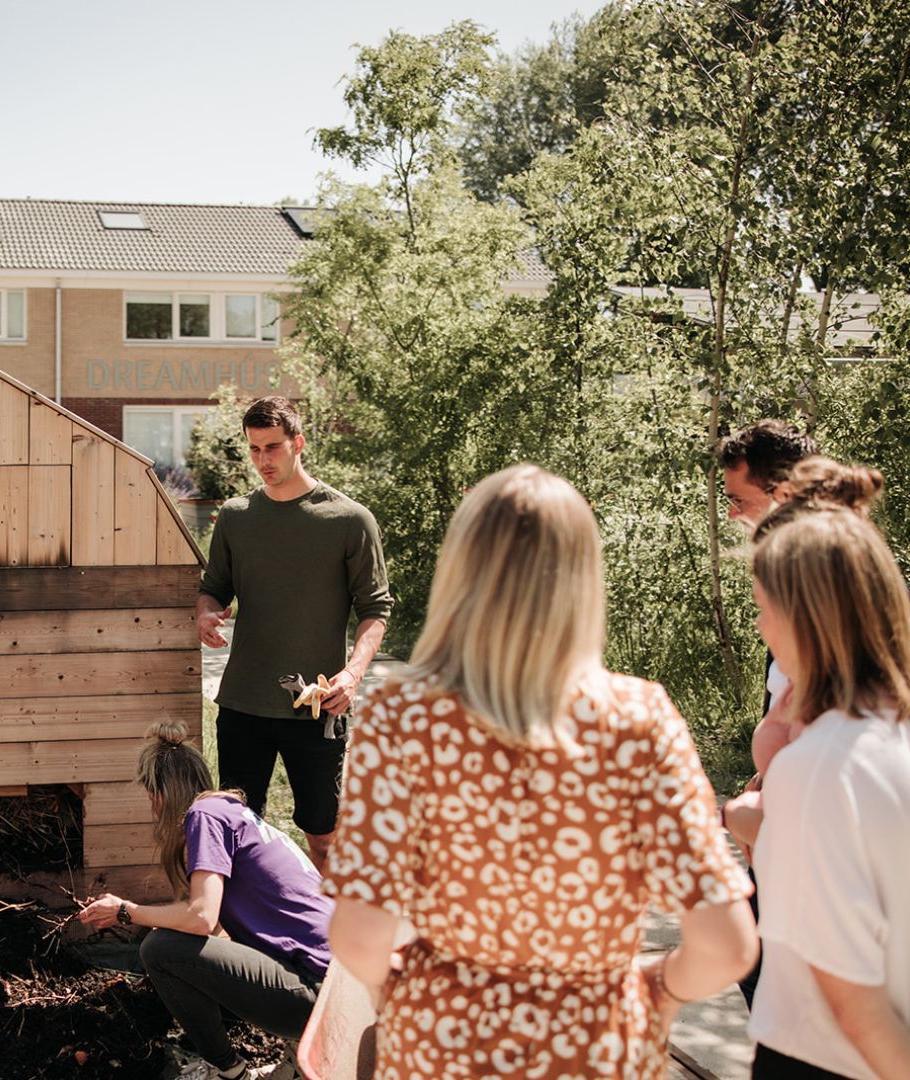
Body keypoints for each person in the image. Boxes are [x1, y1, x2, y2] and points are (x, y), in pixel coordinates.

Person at [323, 464, 758, 1079]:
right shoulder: (640, 718)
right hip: (600, 1051)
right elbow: (729, 943)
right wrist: (657, 991)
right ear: (582, 578)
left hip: (442, 1046)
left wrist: (397, 995)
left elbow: (359, 935)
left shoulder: (401, 715)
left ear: (461, 574)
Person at [746, 507, 910, 1079]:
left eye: (764, 611)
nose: (762, 629)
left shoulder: (817, 770)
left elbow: (856, 1009)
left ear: (802, 621)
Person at [197, 396, 392, 871]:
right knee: (238, 834)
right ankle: (249, 940)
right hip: (243, 705)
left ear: (298, 443)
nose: (263, 460)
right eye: (254, 449)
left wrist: (352, 675)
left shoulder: (349, 520)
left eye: (274, 448)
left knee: (323, 838)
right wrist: (205, 614)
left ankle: (332, 939)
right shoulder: (237, 518)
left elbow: (376, 609)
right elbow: (213, 590)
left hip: (317, 706)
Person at [79, 722, 334, 1080]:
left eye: (151, 797)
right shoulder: (233, 812)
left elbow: (200, 918)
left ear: (161, 795)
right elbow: (210, 929)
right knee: (178, 952)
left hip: (317, 994)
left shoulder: (203, 816)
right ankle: (291, 1063)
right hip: (340, 986)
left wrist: (126, 911)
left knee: (159, 949)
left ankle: (228, 1071)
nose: (152, 807)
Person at [723, 458, 885, 857]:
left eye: (765, 609)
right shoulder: (812, 688)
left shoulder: (833, 750)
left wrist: (743, 818)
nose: (761, 626)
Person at [717, 418, 817, 1008]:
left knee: (766, 973)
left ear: (781, 495)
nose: (732, 515)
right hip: (779, 826)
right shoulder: (788, 582)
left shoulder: (819, 592)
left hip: (806, 838)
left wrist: (758, 813)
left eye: (739, 499)